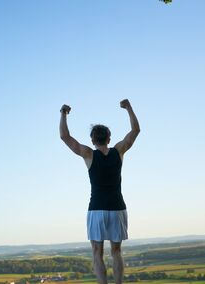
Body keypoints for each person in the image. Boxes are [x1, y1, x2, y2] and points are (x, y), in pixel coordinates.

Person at [59, 99, 140, 284]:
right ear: (109, 139)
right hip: (117, 208)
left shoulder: (88, 154)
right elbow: (135, 131)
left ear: (92, 140)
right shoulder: (118, 151)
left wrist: (63, 113)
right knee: (116, 251)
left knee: (97, 252)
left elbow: (65, 137)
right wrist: (128, 107)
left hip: (96, 209)